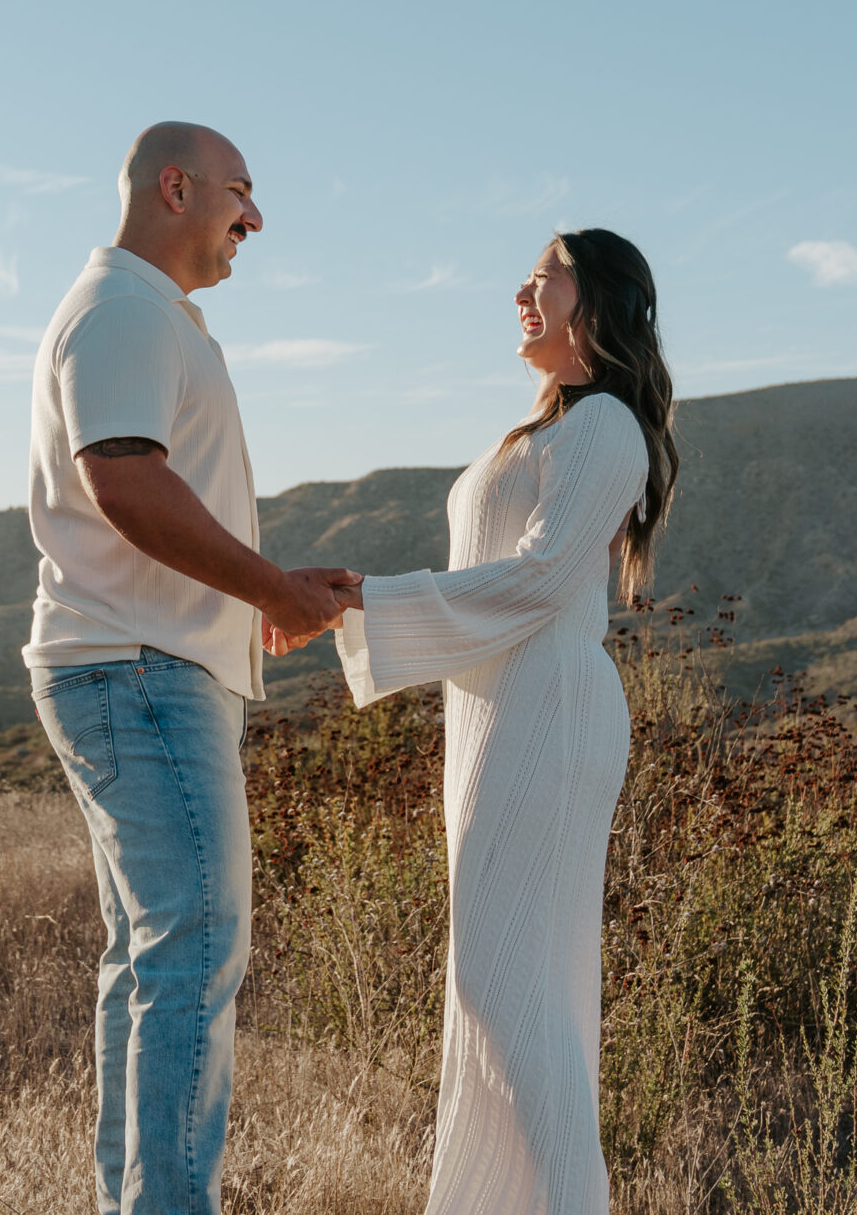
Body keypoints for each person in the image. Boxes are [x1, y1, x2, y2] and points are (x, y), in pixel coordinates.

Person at [24, 120, 359, 1215]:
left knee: (152, 957)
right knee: (192, 951)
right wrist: (268, 590)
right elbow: (125, 481)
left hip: (138, 665)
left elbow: (145, 487)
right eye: (239, 191)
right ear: (175, 187)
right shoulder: (124, 308)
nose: (254, 216)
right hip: (140, 673)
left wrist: (262, 588)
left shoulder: (146, 312)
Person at [331, 227, 679, 1215]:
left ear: (597, 299)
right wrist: (365, 601)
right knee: (506, 982)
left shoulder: (604, 424)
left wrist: (366, 600)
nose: (521, 293)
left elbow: (540, 578)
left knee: (505, 984)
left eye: (544, 276)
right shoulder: (545, 426)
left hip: (546, 710)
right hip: (495, 709)